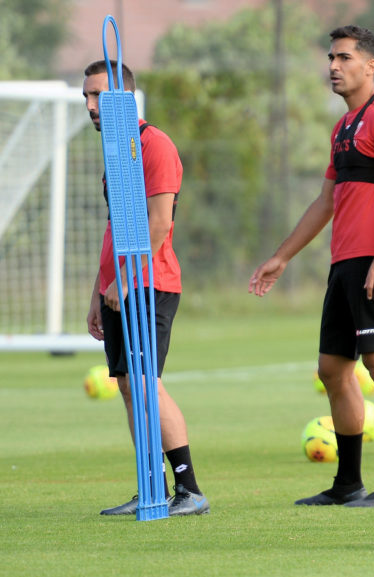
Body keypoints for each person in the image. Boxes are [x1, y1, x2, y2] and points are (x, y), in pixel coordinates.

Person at [249, 25, 374, 507]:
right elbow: (326, 201)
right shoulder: (343, 127)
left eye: (344, 58)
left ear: (371, 66)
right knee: (332, 370)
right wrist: (281, 257)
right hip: (344, 264)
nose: (333, 66)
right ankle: (348, 484)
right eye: (330, 58)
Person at [83, 60, 209, 516]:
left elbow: (159, 225)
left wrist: (126, 280)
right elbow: (116, 229)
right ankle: (149, 486)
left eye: (98, 96)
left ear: (124, 97)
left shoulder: (153, 144)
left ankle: (189, 489)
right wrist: (99, 293)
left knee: (144, 382)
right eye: (86, 98)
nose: (91, 106)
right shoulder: (115, 151)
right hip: (118, 287)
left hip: (150, 284)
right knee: (126, 385)